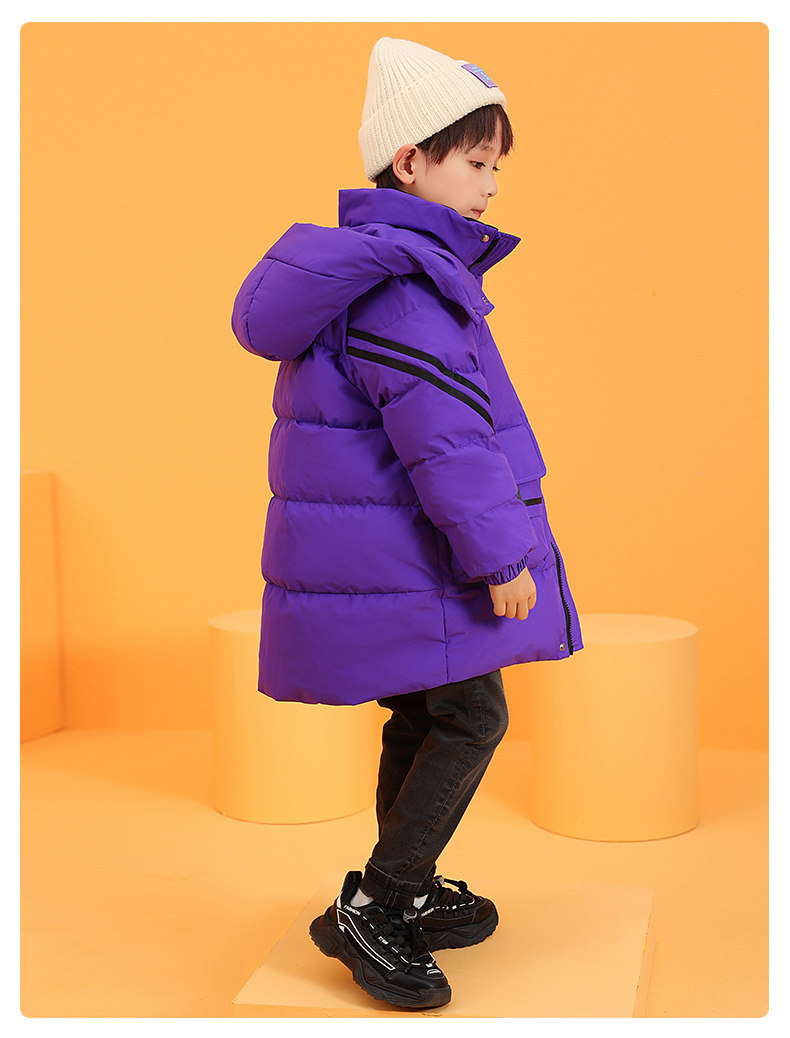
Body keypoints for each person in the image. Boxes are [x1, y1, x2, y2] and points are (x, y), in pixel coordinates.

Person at [230, 36, 583, 1011]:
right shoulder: (404, 285)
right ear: (410, 160)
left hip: (385, 553)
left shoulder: (370, 271)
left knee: (428, 712)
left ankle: (403, 888)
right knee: (472, 717)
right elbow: (447, 441)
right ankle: (381, 904)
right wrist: (501, 557)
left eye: (498, 166)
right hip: (419, 556)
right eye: (476, 162)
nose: (491, 185)